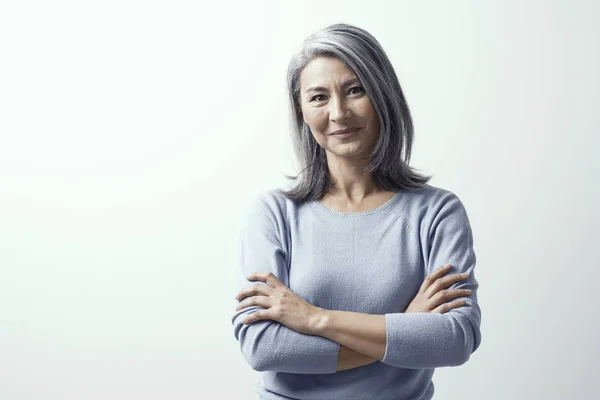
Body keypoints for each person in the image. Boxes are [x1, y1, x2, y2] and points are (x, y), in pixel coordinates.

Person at [231, 23, 482, 400]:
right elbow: (264, 346)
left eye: (355, 90)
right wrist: (405, 330)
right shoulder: (274, 214)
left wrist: (316, 319)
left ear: (382, 95)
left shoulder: (437, 212)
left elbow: (455, 339)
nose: (338, 112)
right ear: (301, 112)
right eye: (318, 97)